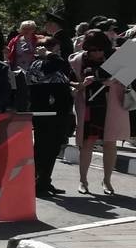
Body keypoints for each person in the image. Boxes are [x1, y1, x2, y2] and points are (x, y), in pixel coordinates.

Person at [71, 30, 128, 195]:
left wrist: (115, 81)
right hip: (89, 106)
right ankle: (83, 180)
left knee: (110, 143)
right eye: (93, 49)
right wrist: (79, 85)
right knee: (87, 144)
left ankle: (107, 180)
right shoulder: (78, 60)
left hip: (111, 107)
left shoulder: (116, 56)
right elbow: (70, 81)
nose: (96, 52)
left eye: (100, 49)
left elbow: (130, 76)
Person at [26, 37, 75, 198]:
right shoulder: (39, 63)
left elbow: (60, 78)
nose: (59, 52)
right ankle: (36, 182)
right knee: (42, 148)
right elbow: (54, 66)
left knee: (53, 148)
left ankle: (45, 181)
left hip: (59, 113)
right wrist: (48, 53)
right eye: (56, 49)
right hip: (46, 113)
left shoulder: (53, 62)